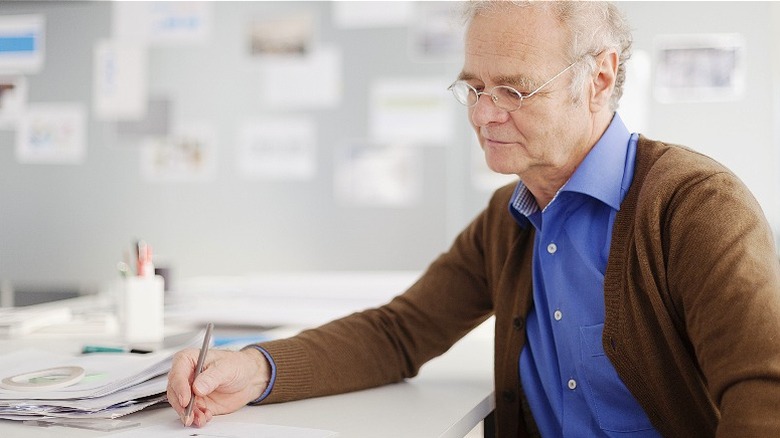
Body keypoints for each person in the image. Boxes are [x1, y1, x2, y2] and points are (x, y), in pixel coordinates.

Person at [167, 1, 780, 436]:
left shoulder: (695, 206)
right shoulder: (506, 217)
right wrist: (253, 367)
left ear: (599, 77)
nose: (484, 114)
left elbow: (764, 392)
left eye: (513, 90)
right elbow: (400, 333)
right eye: (474, 87)